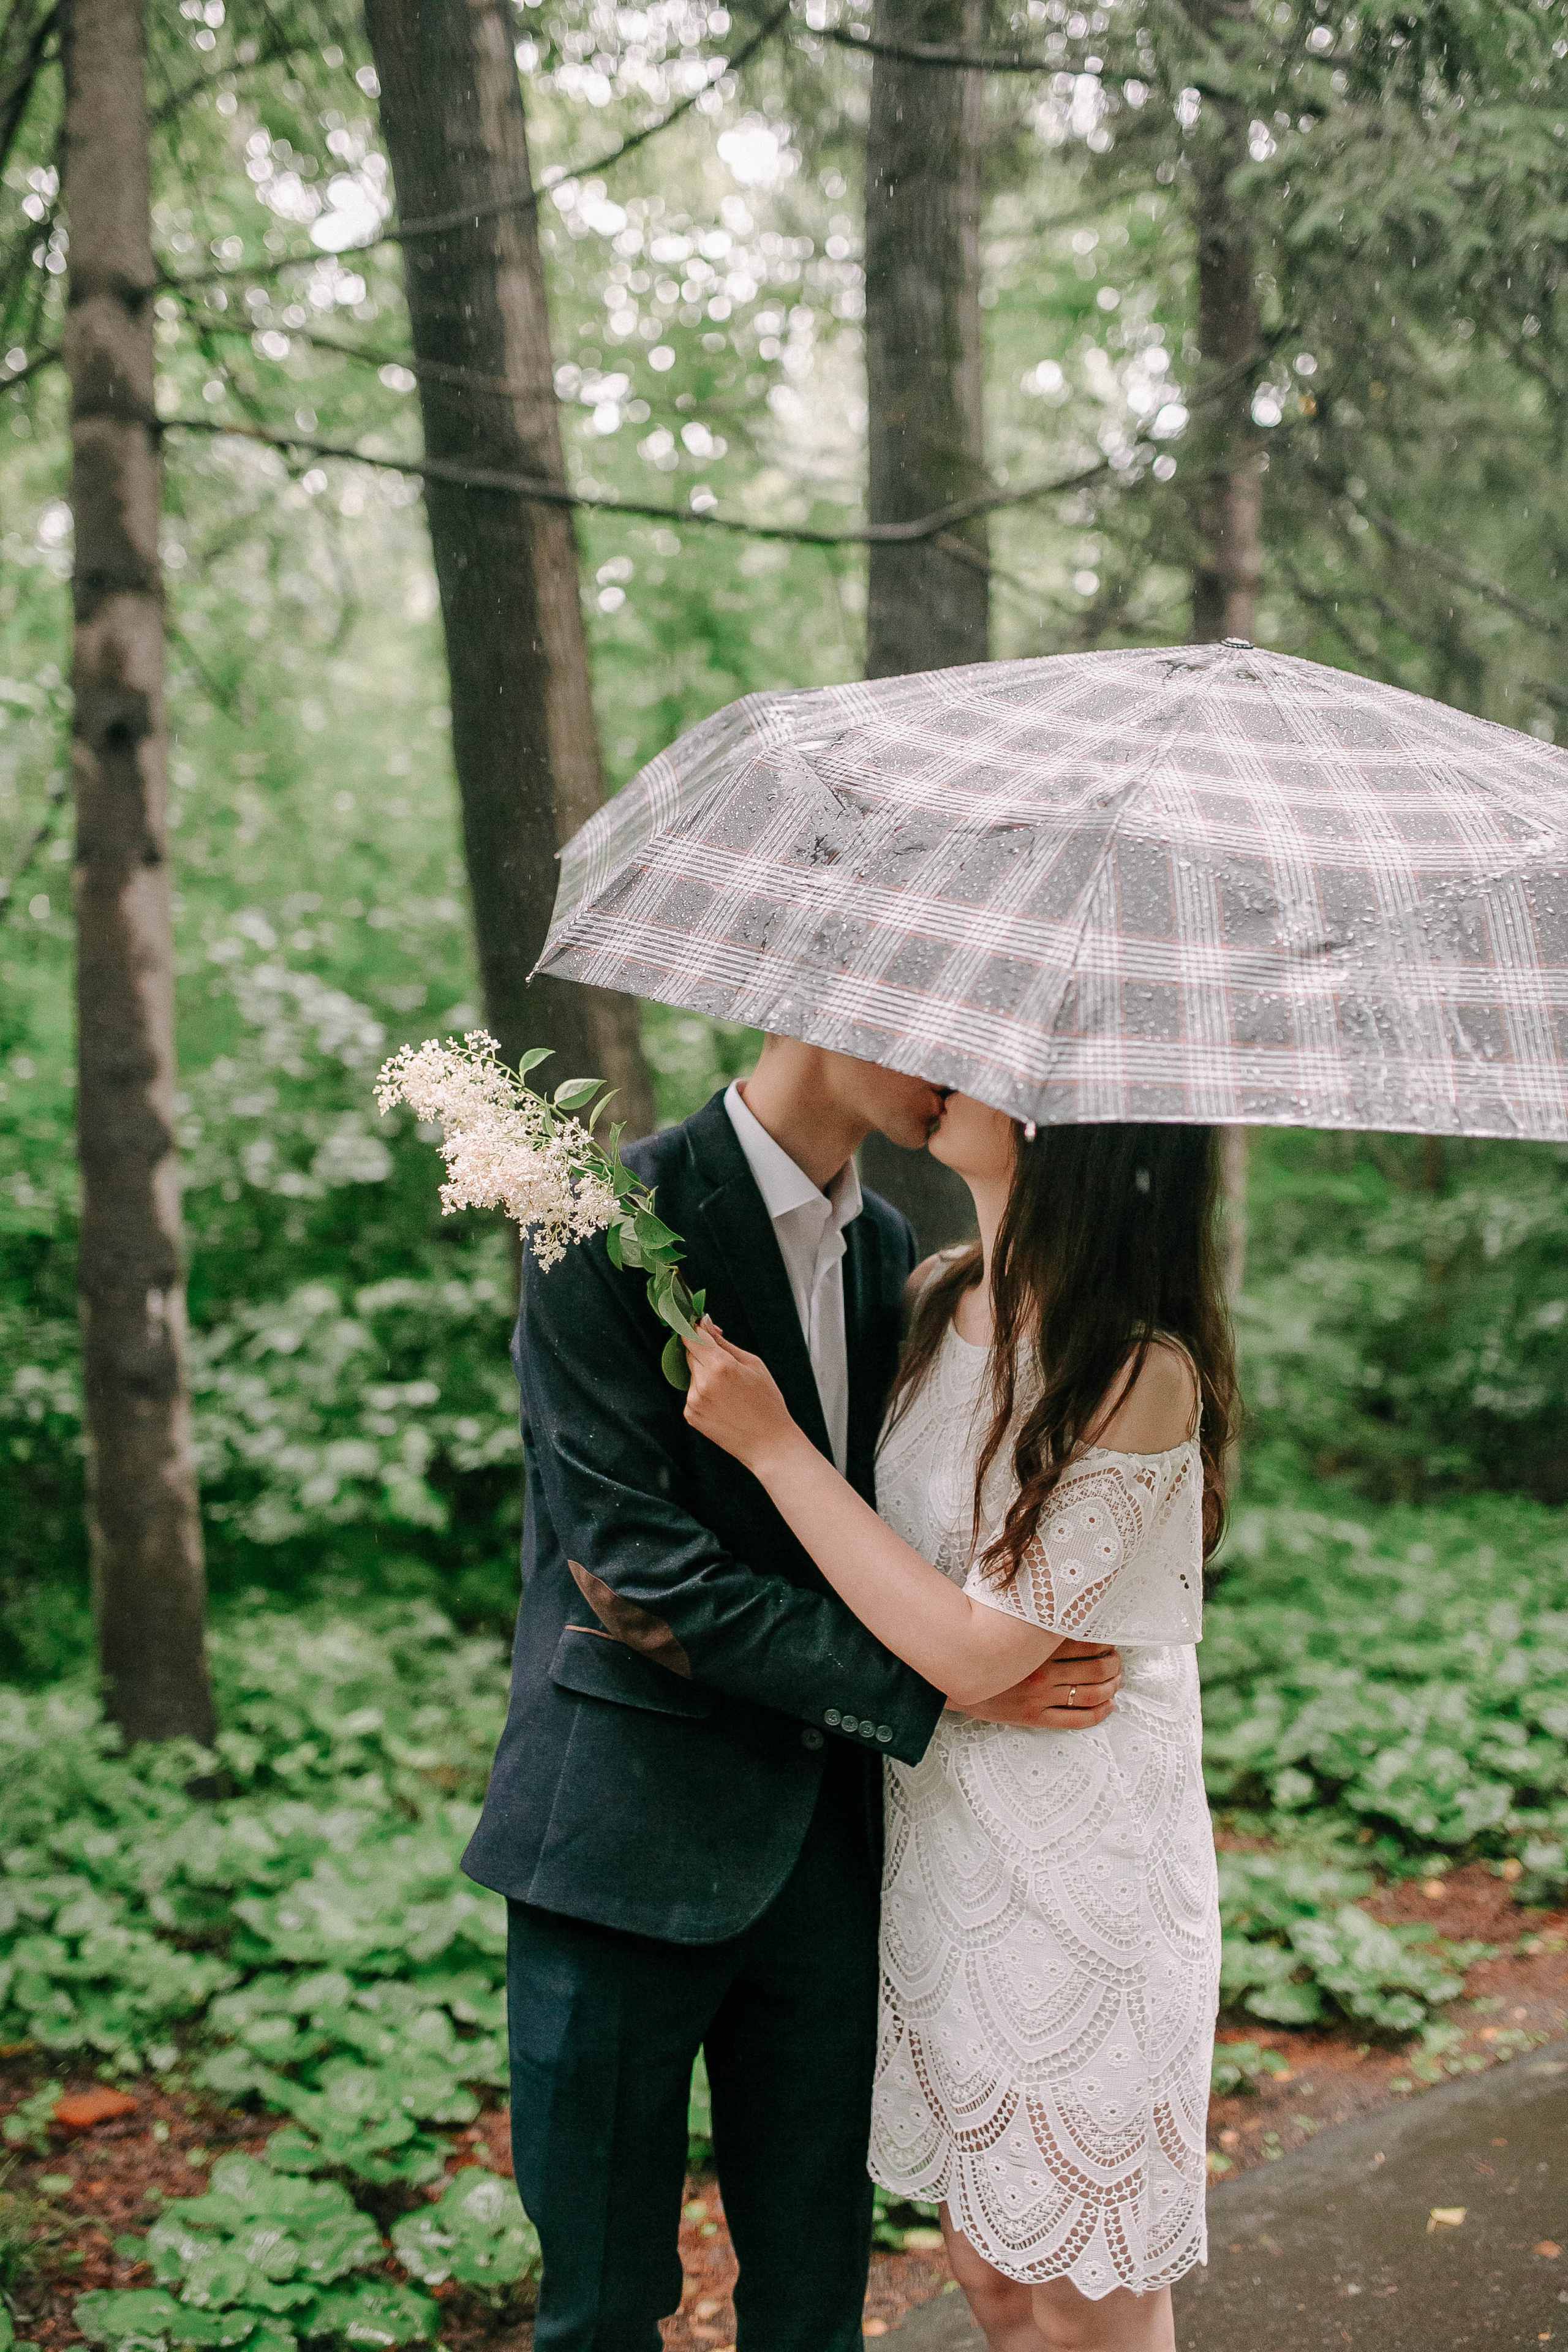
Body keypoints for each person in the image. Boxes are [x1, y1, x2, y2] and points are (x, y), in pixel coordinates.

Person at [461, 1039, 1124, 2352]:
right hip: (618, 1847)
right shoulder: (599, 1220)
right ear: (821, 1002)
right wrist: (944, 1688)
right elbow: (638, 1573)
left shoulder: (891, 1251)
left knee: (815, 2303)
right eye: (936, 1026)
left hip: (832, 1856)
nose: (966, 1067)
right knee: (598, 2307)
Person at [683, 1096, 1235, 2352]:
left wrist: (776, 1452)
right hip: (942, 1850)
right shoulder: (934, 1293)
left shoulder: (1135, 1369)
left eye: (991, 1067)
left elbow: (984, 1645)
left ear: (1066, 1124)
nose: (944, 1074)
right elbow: (925, 1613)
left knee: (1085, 2294)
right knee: (989, 2283)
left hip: (1082, 1871)